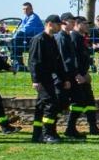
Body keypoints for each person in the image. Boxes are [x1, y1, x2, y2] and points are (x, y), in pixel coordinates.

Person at [28, 15, 72, 143]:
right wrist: (35, 80)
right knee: (50, 104)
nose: (60, 27)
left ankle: (38, 134)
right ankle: (47, 134)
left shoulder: (52, 40)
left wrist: (65, 78)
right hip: (42, 79)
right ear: (50, 24)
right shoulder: (39, 39)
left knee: (41, 106)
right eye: (58, 24)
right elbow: (33, 61)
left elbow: (57, 62)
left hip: (49, 78)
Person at [61, 17, 99, 138]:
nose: (87, 26)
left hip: (83, 74)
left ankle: (93, 127)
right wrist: (80, 75)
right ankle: (70, 128)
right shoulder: (74, 37)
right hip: (78, 76)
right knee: (78, 101)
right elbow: (74, 59)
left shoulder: (81, 37)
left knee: (89, 101)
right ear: (77, 24)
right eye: (85, 24)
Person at [12, 1, 43, 72]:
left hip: (38, 40)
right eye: (23, 9)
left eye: (27, 9)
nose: (25, 11)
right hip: (30, 39)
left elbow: (25, 30)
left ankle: (18, 63)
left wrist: (15, 35)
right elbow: (20, 28)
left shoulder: (33, 18)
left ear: (32, 9)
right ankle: (18, 63)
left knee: (16, 40)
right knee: (14, 42)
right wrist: (14, 35)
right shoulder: (26, 18)